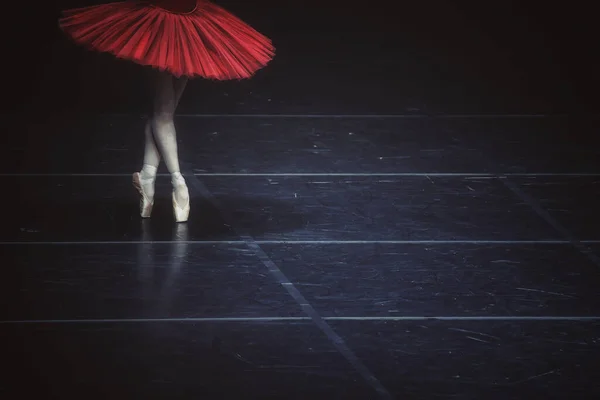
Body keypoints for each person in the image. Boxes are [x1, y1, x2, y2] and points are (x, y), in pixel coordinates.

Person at [59, 0, 275, 222]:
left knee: (162, 114)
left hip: (166, 21)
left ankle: (178, 183)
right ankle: (147, 176)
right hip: (190, 21)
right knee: (163, 114)